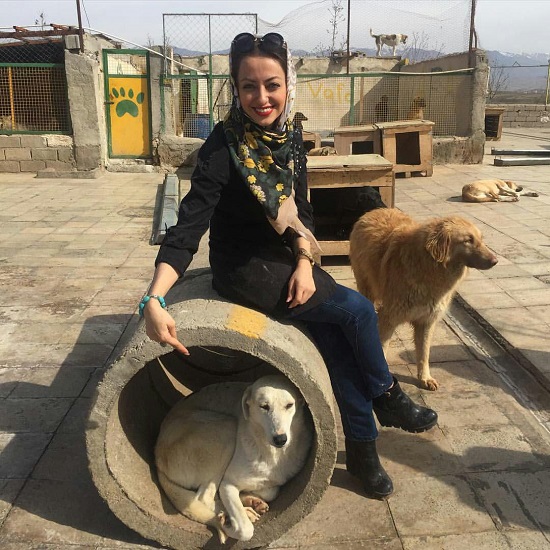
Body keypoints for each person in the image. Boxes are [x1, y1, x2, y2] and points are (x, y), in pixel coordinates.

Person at [141, 32, 438, 499]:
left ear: (287, 85)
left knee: (338, 343)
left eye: (272, 85)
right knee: (360, 311)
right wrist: (155, 298)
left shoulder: (290, 136)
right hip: (245, 268)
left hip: (286, 259)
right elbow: (188, 226)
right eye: (249, 86)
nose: (261, 98)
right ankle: (387, 397)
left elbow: (303, 210)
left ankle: (363, 453)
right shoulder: (222, 146)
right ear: (236, 89)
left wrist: (303, 259)